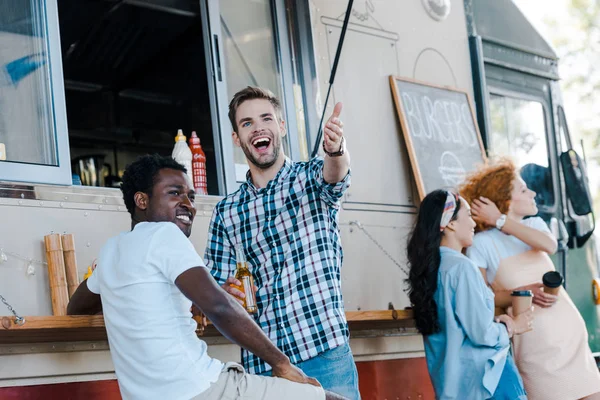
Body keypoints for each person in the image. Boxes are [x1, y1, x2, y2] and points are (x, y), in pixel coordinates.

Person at [67, 154, 347, 400]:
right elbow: (220, 306)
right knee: (324, 398)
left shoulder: (110, 252)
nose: (188, 204)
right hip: (200, 388)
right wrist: (282, 365)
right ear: (141, 200)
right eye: (175, 193)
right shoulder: (165, 234)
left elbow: (76, 308)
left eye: (191, 196)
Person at [204, 86, 360, 399]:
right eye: (247, 123)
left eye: (266, 118)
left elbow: (336, 173)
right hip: (264, 367)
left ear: (282, 127)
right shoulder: (226, 211)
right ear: (237, 139)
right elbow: (212, 294)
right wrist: (226, 291)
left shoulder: (311, 179)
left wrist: (335, 149)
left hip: (324, 354)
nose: (258, 127)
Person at [460, 159, 600, 400]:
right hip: (534, 345)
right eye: (523, 190)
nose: (533, 193)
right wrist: (521, 292)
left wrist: (501, 221)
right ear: (504, 200)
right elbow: (482, 300)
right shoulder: (481, 245)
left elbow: (550, 245)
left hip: (570, 336)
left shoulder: (534, 225)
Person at [406, 189, 532, 400]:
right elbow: (481, 334)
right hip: (488, 383)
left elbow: (459, 325)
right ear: (451, 224)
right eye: (469, 216)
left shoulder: (429, 270)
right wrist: (512, 325)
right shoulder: (462, 268)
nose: (474, 224)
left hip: (451, 389)